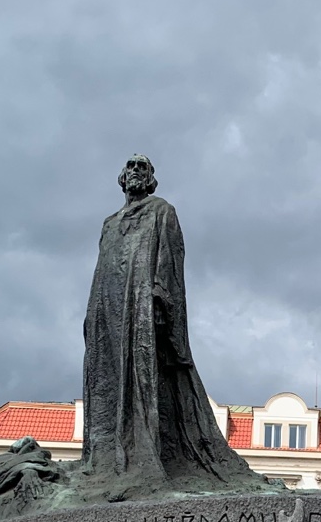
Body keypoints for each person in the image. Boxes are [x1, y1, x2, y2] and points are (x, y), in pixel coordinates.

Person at [80, 155, 266, 497]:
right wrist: (93, 313)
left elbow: (169, 257)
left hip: (141, 306)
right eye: (131, 166)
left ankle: (144, 457)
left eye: (143, 167)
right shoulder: (109, 224)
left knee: (145, 376)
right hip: (108, 309)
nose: (136, 171)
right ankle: (105, 459)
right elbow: (101, 269)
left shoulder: (162, 211)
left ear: (151, 178)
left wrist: (160, 297)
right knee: (105, 376)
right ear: (121, 176)